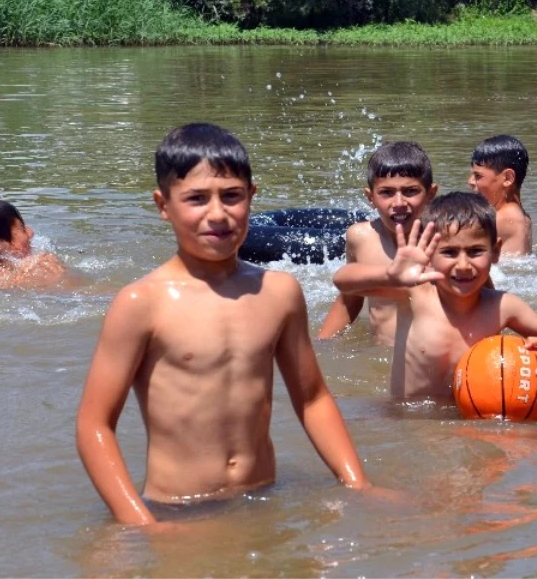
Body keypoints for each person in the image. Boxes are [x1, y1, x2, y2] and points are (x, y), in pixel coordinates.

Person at [76, 123, 371, 527]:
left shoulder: (278, 291)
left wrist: (357, 484)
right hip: (177, 510)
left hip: (264, 496)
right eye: (196, 199)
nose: (217, 214)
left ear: (251, 196)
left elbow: (313, 397)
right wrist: (141, 524)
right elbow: (94, 424)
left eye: (231, 196)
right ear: (163, 205)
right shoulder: (141, 303)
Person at [333, 191, 537, 400]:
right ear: (428, 254)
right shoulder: (416, 292)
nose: (463, 265)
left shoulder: (504, 307)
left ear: (496, 252)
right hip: (405, 421)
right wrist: (390, 275)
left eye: (475, 251)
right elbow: (343, 281)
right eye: (449, 252)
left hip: (468, 422)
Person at [316, 141, 437, 344]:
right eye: (386, 192)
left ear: (431, 194)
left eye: (410, 191)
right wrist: (322, 345)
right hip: (381, 358)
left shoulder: (445, 239)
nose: (399, 203)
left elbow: (481, 298)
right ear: (370, 197)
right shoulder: (361, 238)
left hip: (431, 359)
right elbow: (350, 298)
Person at [467, 134, 532, 256]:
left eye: (478, 176)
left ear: (507, 178)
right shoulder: (522, 216)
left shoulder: (502, 219)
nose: (470, 181)